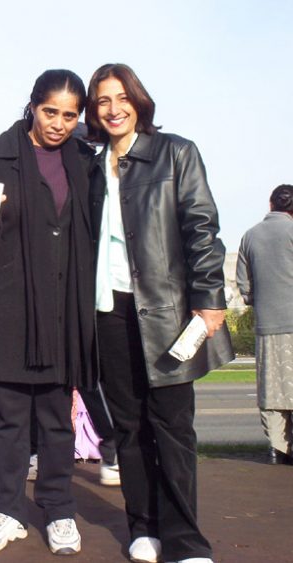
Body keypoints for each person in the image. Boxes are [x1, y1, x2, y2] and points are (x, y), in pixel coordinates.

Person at [85, 63, 234, 563]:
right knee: (128, 427)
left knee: (172, 426)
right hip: (108, 311)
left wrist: (209, 299)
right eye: (103, 100)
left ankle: (186, 540)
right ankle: (143, 526)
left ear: (139, 101)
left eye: (122, 97)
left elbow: (201, 228)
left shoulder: (176, 153)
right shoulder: (89, 164)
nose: (113, 108)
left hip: (166, 311)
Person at [0, 69, 97, 556]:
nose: (59, 123)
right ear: (32, 106)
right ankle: (8, 510)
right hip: (8, 309)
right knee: (11, 420)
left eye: (70, 115)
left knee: (58, 419)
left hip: (65, 308)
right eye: (50, 111)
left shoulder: (85, 160)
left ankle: (59, 510)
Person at [236, 184, 293, 465]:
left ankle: (276, 448)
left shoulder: (250, 236)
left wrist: (258, 300)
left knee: (271, 389)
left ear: (271, 204)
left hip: (268, 324)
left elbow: (244, 287)